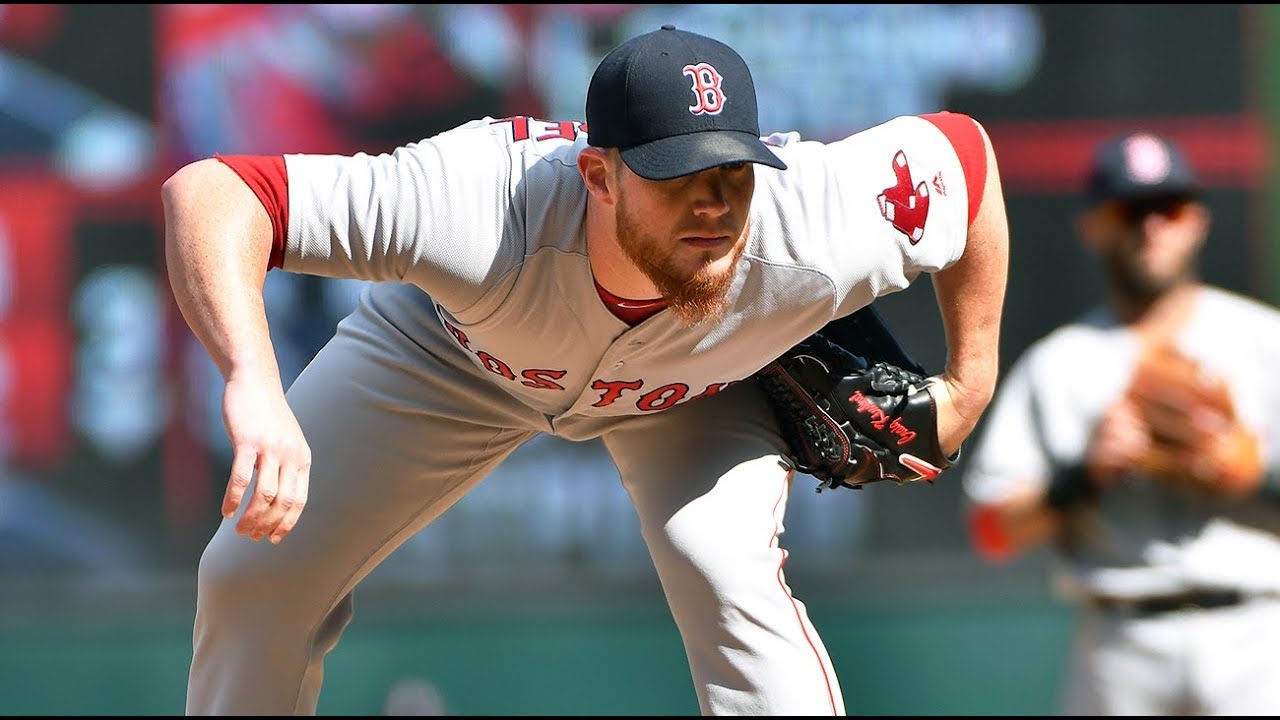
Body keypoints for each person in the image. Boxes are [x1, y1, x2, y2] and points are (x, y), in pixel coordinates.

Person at [163, 25, 1009, 716]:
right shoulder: (478, 205)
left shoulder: (814, 222)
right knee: (254, 572)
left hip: (695, 379)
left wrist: (970, 382)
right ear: (598, 174)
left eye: (731, 170)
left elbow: (964, 163)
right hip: (456, 354)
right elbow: (214, 194)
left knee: (727, 576)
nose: (713, 203)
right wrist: (254, 380)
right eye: (679, 174)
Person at [959, 130, 1280, 715]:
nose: (1151, 226)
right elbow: (991, 529)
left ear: (1197, 220)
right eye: (1130, 210)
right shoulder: (1059, 363)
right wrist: (1084, 474)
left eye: (1168, 207)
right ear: (1094, 226)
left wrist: (1255, 477)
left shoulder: (1264, 341)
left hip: (1257, 637)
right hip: (1122, 643)